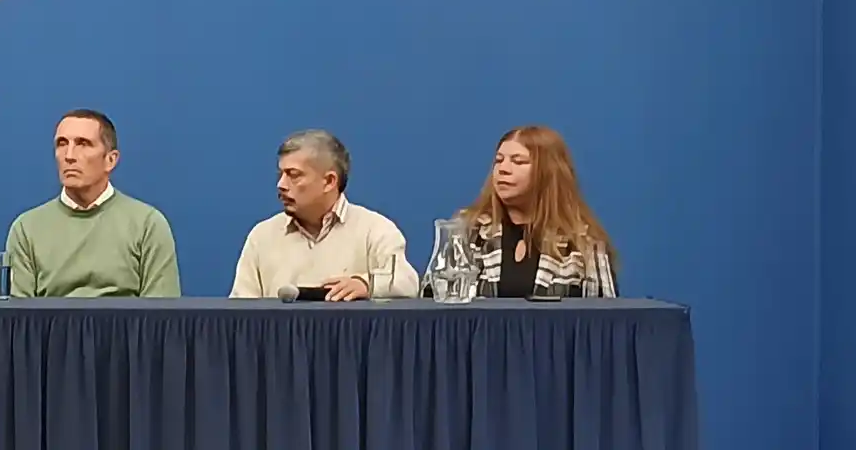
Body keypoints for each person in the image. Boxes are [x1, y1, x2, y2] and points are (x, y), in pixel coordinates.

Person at [6, 109, 181, 297]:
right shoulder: (27, 229)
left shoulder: (148, 225)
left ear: (111, 160)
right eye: (62, 144)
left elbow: (162, 316)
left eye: (83, 144)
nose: (69, 155)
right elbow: (16, 319)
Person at [230, 129, 420, 300]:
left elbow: (408, 283)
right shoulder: (262, 236)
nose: (281, 185)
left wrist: (366, 284)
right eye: (280, 174)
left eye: (293, 175)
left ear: (329, 181)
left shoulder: (375, 229)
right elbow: (241, 310)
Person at [454, 125, 617, 297]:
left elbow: (604, 316)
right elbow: (435, 301)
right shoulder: (468, 232)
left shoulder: (583, 242)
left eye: (518, 161)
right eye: (499, 160)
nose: (503, 169)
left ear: (548, 172)